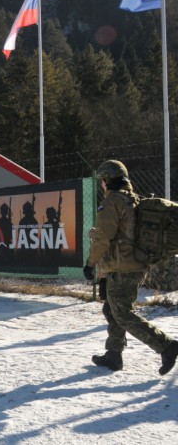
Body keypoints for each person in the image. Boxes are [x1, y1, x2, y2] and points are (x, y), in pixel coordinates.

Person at [84, 160, 178, 375]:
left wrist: (90, 263)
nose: (102, 185)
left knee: (122, 313)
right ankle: (113, 355)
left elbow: (102, 238)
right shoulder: (133, 199)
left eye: (102, 181)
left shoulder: (112, 202)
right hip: (135, 263)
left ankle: (166, 346)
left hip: (121, 267)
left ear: (107, 180)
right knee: (112, 308)